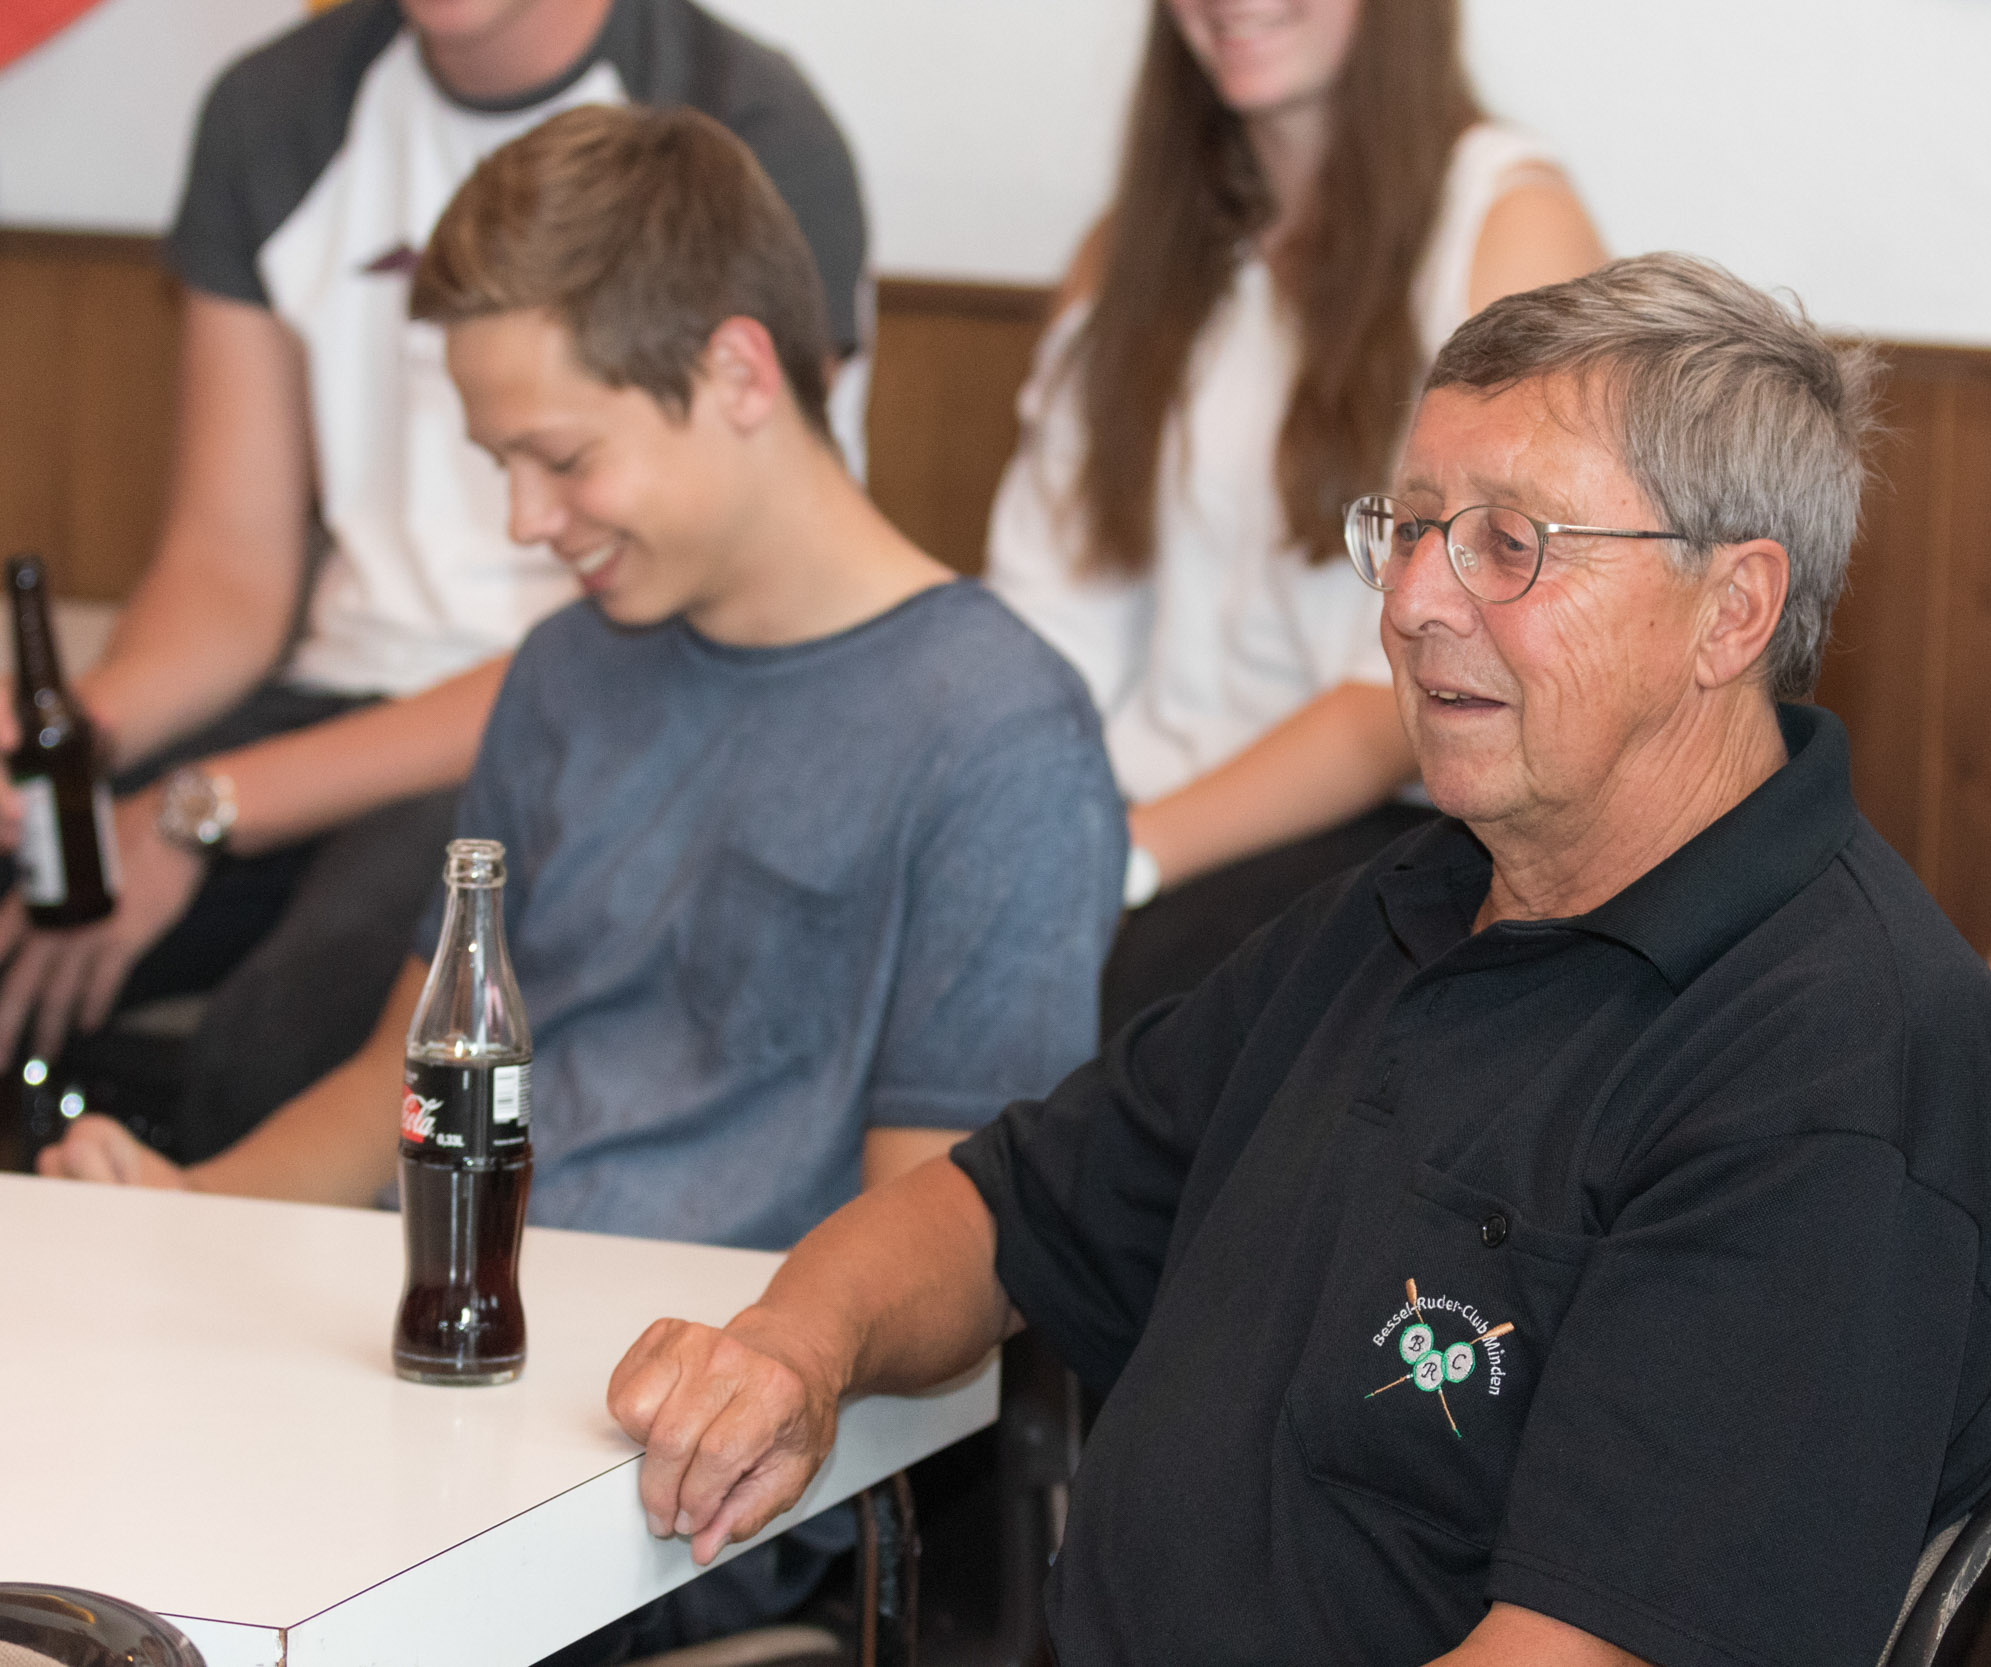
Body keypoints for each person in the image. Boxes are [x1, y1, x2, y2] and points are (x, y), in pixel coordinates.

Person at [606, 255, 1991, 1666]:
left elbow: (1593, 1644)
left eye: (1509, 542)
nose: (1417, 599)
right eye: (1412, 526)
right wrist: (797, 1343)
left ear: (1731, 609)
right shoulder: (1413, 900)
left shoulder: (1845, 1060)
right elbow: (1008, 1207)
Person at [39, 103, 1124, 1659]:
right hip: (448, 1390)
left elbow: (948, 1237)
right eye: (500, 464)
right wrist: (180, 1223)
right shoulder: (564, 678)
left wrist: (765, 1363)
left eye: (559, 456)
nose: (525, 521)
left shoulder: (995, 730)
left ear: (742, 372)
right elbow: (394, 1086)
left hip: (682, 1475)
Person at [0, 0, 871, 1167]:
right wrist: (63, 747)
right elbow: (226, 566)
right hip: (325, 688)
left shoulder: (741, 125)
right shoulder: (279, 106)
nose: (521, 504)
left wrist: (204, 804)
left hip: (586, 713)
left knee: (297, 1030)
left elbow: (705, 591)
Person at [984, 0, 1607, 1032]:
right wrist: (1002, 830)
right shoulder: (1127, 249)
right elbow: (1047, 618)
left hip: (1387, 833)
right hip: (1127, 815)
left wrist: (1124, 857)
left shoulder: (1503, 226)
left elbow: (1437, 675)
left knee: (1138, 1003)